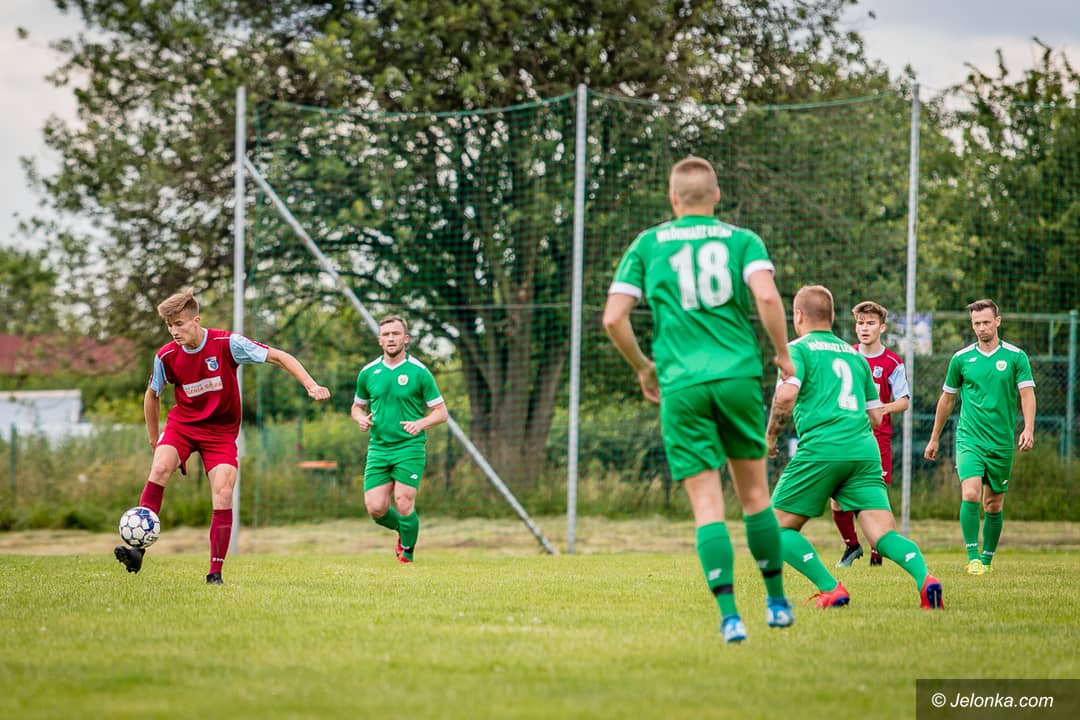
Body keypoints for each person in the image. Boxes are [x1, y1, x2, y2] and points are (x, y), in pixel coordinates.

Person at [603, 155, 796, 644]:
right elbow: (767, 297)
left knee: (708, 505)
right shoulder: (742, 240)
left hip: (681, 385)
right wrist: (781, 354)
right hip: (737, 377)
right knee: (755, 497)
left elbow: (612, 318)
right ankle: (776, 603)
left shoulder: (648, 244)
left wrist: (643, 366)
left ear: (673, 199)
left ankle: (730, 617)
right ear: (716, 195)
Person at [114, 288, 331, 584]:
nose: (174, 331)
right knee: (160, 467)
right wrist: (155, 439)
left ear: (196, 320)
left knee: (224, 492)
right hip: (182, 426)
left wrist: (310, 384)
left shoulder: (227, 344)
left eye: (179, 324)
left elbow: (279, 357)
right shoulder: (165, 356)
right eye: (169, 326)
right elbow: (152, 395)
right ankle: (137, 550)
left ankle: (214, 573)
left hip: (221, 433)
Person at [765, 285, 942, 610]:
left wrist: (771, 436)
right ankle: (925, 579)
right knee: (883, 535)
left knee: (773, 530)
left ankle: (831, 588)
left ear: (798, 316)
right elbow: (876, 416)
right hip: (864, 450)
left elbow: (786, 396)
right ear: (832, 317)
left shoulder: (796, 350)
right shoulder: (855, 356)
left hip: (822, 448)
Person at [923, 299, 1036, 575]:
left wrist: (1028, 428)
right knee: (971, 493)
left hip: (1000, 442)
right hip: (969, 438)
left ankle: (987, 560)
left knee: (993, 503)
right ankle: (972, 558)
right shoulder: (961, 359)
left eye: (986, 322)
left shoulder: (1016, 357)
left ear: (998, 321)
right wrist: (934, 437)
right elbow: (947, 400)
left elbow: (1026, 394)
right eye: (976, 323)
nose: (982, 328)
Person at [352, 316, 448, 563]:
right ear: (379, 340)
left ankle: (407, 553)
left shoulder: (419, 372)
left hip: (409, 447)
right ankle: (403, 530)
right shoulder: (368, 372)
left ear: (405, 339)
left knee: (403, 501)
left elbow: (441, 413)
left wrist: (420, 423)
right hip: (378, 448)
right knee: (376, 508)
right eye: (386, 334)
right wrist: (360, 418)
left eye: (396, 334)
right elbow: (357, 406)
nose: (391, 338)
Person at [833, 301, 911, 568]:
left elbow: (904, 401)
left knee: (875, 497)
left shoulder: (892, 362)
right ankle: (851, 545)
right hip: (846, 437)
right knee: (837, 497)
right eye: (860, 323)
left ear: (882, 327)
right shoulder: (846, 356)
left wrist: (881, 408)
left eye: (870, 323)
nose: (864, 328)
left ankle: (878, 550)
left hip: (877, 440)